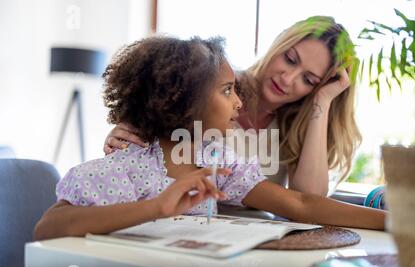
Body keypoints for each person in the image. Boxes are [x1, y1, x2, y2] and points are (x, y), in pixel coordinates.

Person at [34, 35, 385, 241]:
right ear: (182, 100)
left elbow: (302, 204)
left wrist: (394, 222)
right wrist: (156, 208)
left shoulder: (216, 160)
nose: (238, 101)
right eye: (228, 91)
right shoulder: (129, 164)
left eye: (309, 78)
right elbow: (48, 227)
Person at [103, 16, 361, 196]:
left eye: (308, 80)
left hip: (257, 244)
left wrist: (322, 101)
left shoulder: (295, 126)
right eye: (290, 59)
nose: (288, 79)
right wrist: (129, 131)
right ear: (279, 44)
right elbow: (154, 122)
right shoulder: (213, 86)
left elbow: (309, 198)